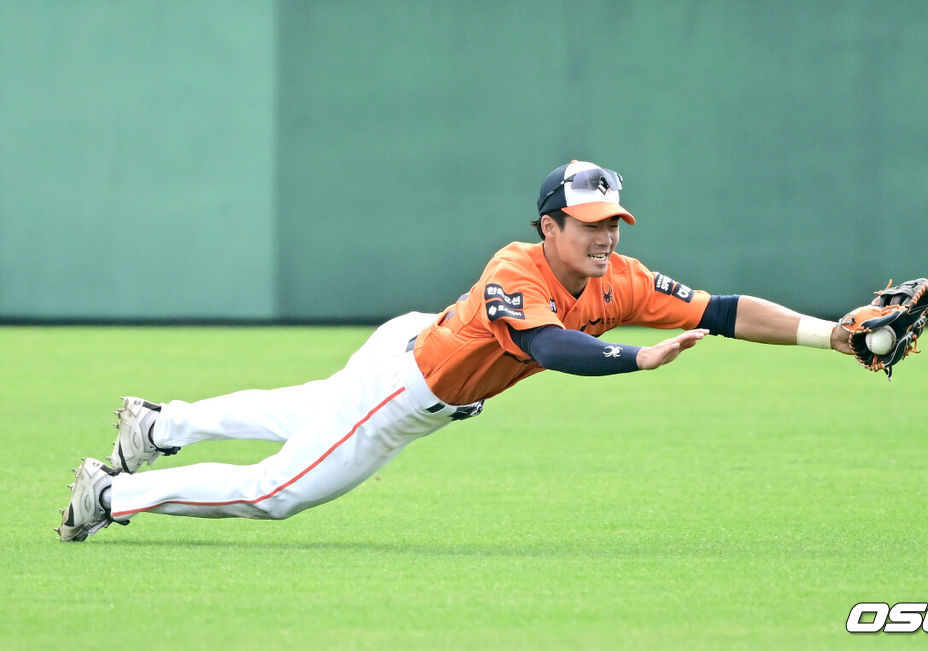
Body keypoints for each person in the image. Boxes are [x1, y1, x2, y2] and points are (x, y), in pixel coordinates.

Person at [57, 160, 852, 542]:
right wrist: (631, 361)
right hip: (406, 385)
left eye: (613, 219)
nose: (606, 233)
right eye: (590, 222)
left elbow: (722, 310)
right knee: (280, 488)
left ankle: (158, 428)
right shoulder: (517, 267)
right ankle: (109, 494)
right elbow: (551, 344)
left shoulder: (623, 278)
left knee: (299, 410)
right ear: (551, 227)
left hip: (412, 347)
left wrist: (833, 335)